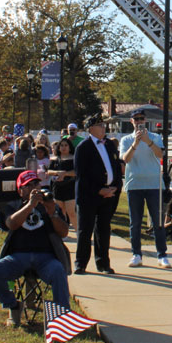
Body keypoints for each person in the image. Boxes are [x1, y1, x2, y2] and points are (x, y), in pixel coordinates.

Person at [0, 170, 72, 326]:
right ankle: (13, 305)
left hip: (46, 258)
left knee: (58, 270)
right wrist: (30, 205)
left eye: (36, 183)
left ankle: (61, 317)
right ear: (20, 190)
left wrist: (52, 213)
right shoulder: (14, 205)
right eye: (28, 185)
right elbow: (11, 224)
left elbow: (64, 232)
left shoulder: (50, 204)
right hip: (18, 257)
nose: (34, 187)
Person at [119, 108, 171, 268]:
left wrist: (148, 141)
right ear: (131, 122)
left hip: (154, 185)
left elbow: (160, 155)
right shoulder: (126, 140)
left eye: (141, 119)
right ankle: (136, 254)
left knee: (158, 222)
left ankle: (162, 255)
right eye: (136, 119)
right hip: (134, 185)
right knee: (135, 222)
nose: (139, 122)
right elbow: (125, 159)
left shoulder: (155, 137)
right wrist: (136, 142)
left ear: (145, 120)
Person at [73, 115, 122, 274]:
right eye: (100, 125)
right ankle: (81, 263)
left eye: (103, 125)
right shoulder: (83, 147)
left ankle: (103, 264)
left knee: (103, 230)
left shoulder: (109, 145)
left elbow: (115, 167)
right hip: (89, 196)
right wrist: (99, 190)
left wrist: (114, 188)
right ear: (90, 128)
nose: (103, 128)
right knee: (85, 230)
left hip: (108, 195)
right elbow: (82, 175)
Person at [47, 137, 77, 230]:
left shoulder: (74, 158)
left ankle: (79, 232)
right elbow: (48, 171)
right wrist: (57, 173)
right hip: (58, 188)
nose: (64, 147)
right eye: (62, 145)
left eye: (66, 145)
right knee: (60, 213)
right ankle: (63, 232)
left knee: (71, 213)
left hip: (70, 188)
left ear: (70, 147)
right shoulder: (55, 159)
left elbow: (77, 172)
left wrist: (65, 173)